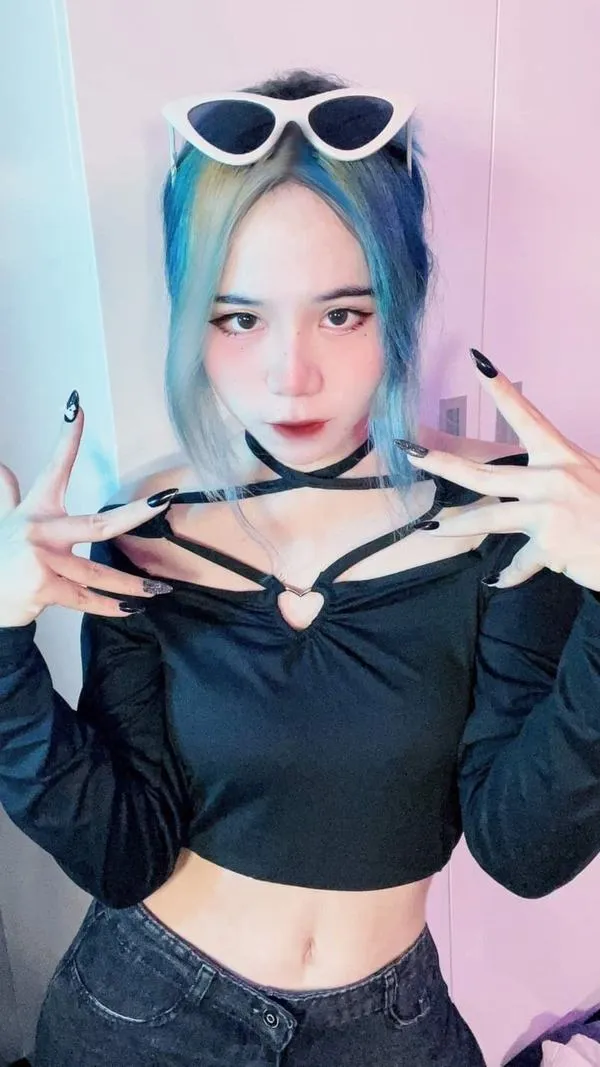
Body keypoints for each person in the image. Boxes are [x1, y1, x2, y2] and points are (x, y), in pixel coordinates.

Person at [1, 67, 600, 1067]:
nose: (291, 376)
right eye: (239, 317)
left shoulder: (506, 521)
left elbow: (524, 848)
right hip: (145, 1014)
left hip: (391, 1030)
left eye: (342, 314)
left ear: (401, 299)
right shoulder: (148, 529)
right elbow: (123, 851)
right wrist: (1, 650)